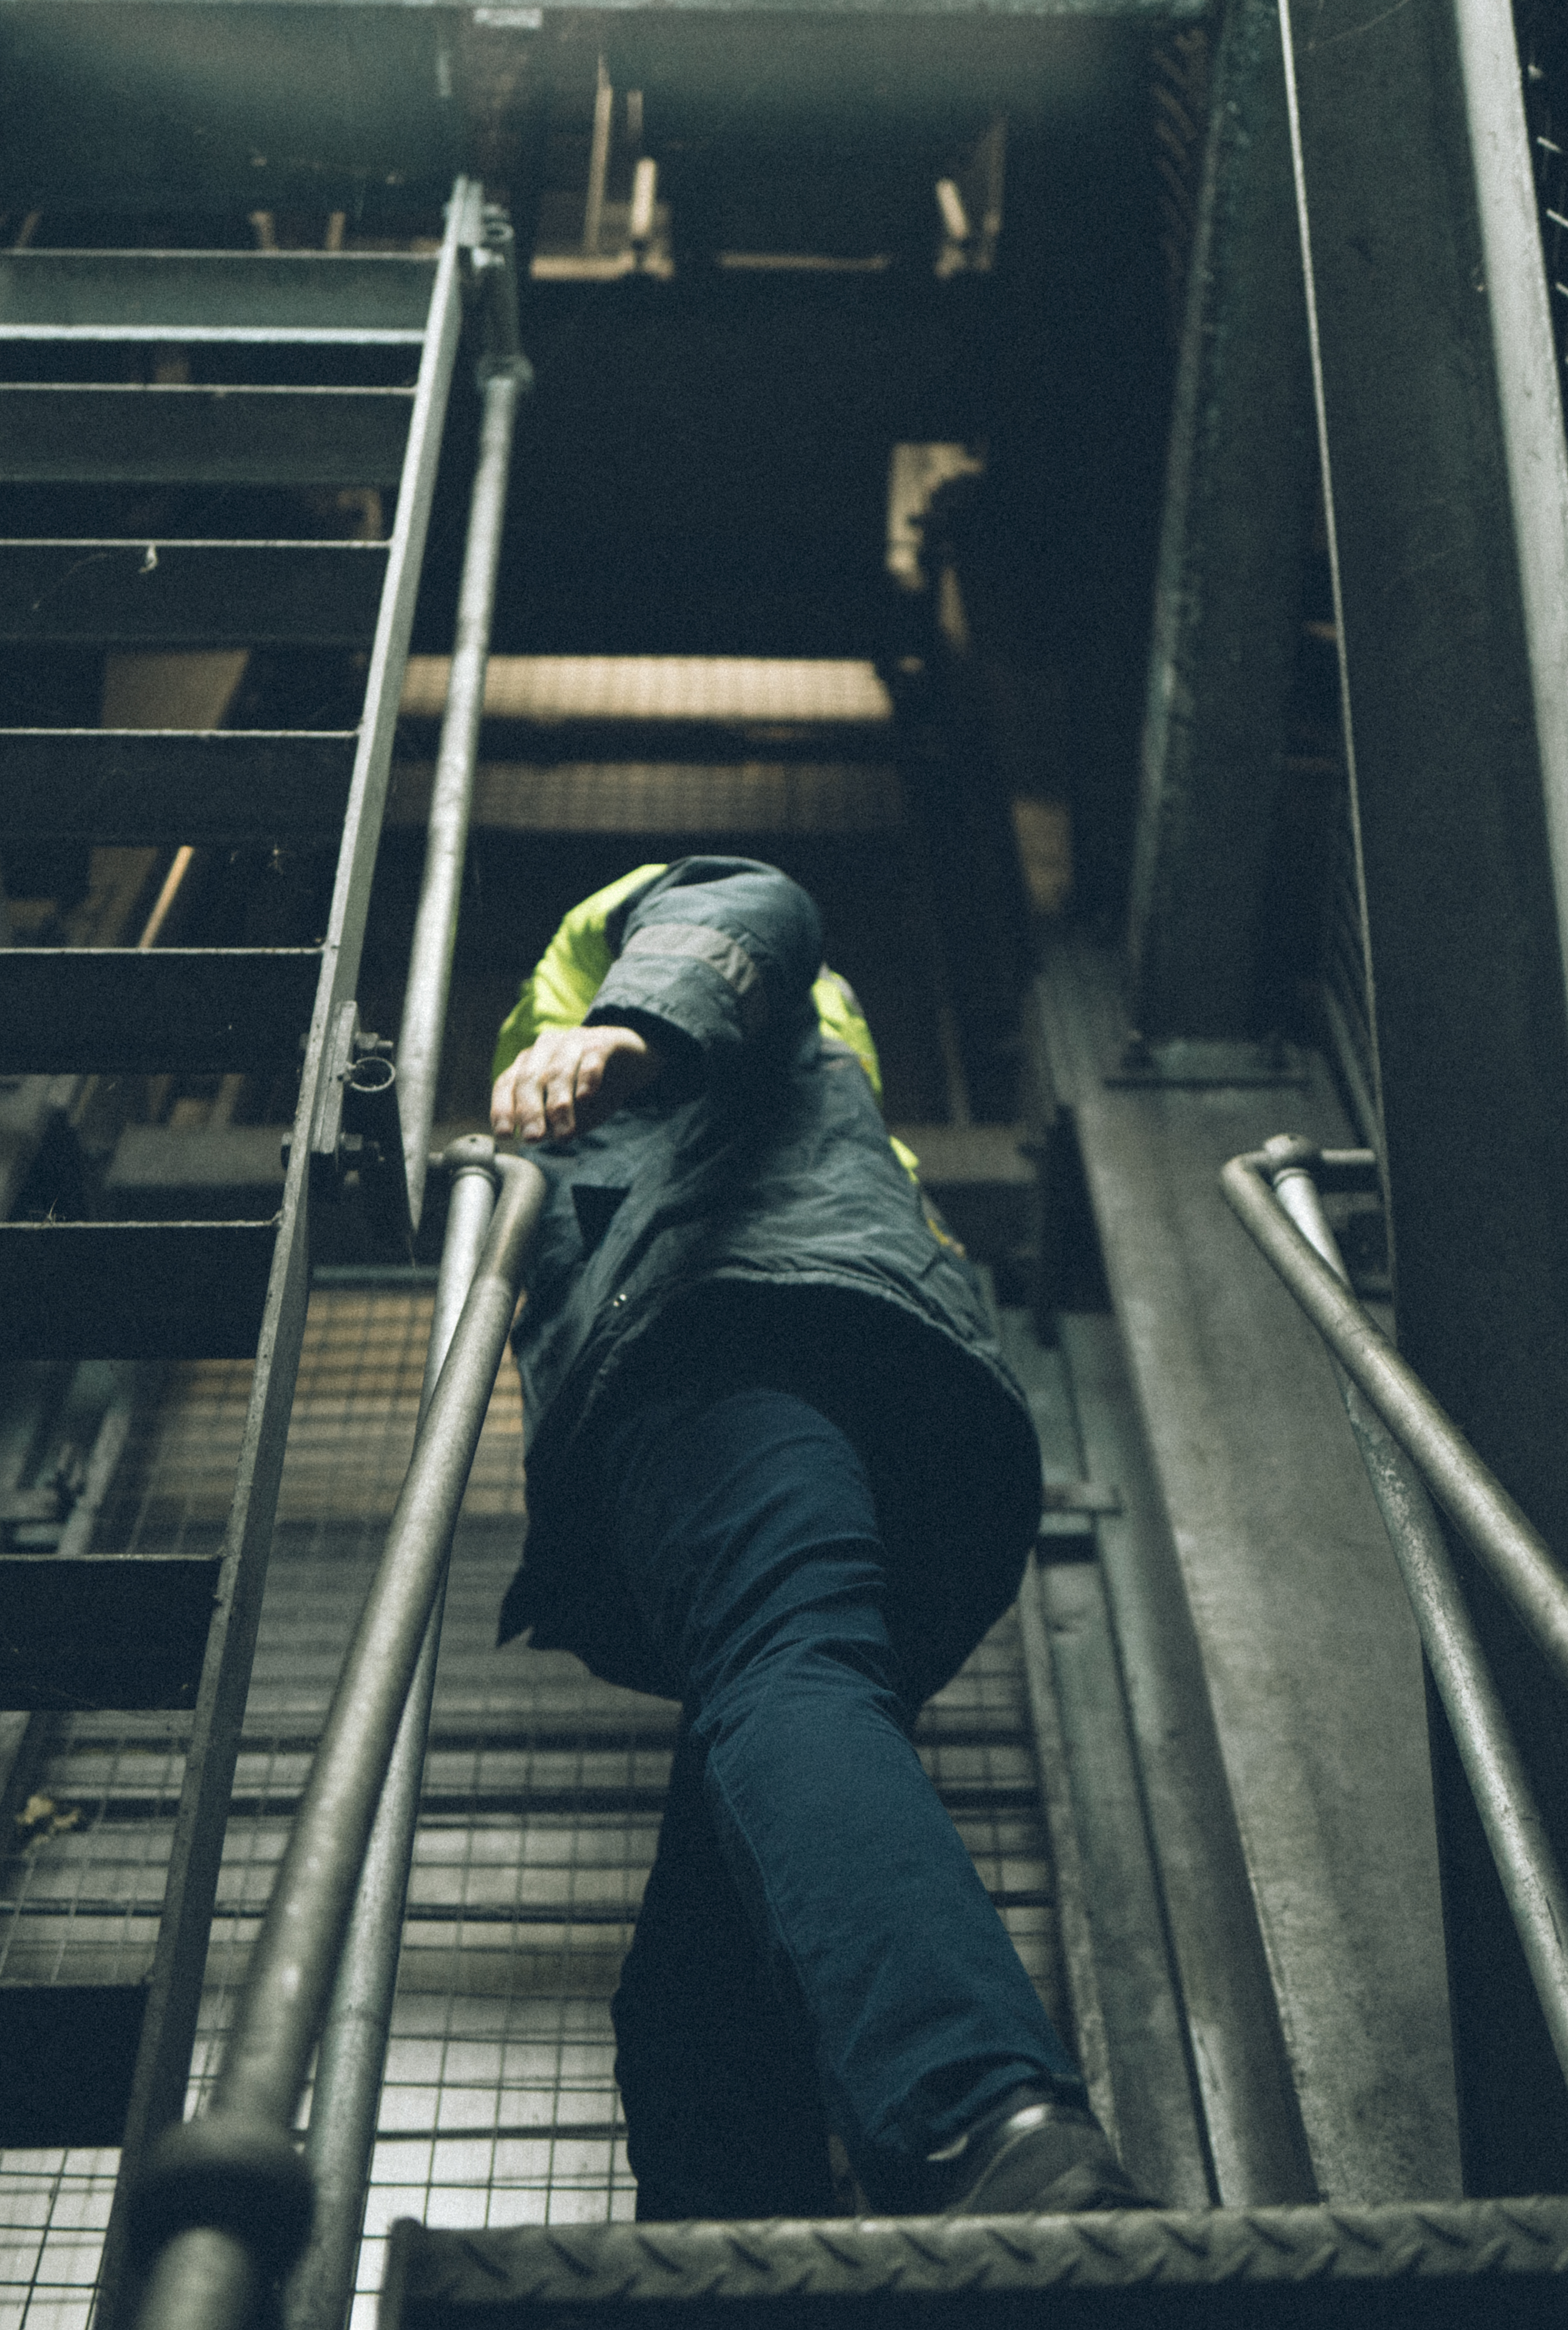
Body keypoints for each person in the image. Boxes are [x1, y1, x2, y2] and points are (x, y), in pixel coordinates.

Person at [486, 855, 1153, 2221]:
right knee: (697, 1980)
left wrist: (624, 1027)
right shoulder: (821, 1094)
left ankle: (990, 2125)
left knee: (788, 1677)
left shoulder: (622, 983)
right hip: (887, 1408)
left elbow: (755, 892)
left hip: (743, 1338)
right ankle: (767, 2256)